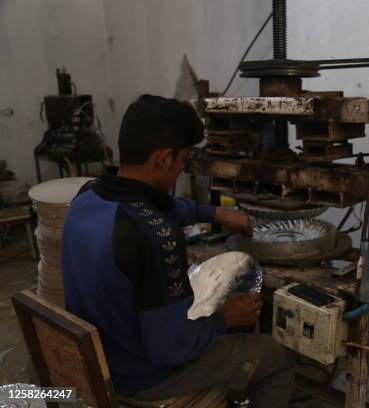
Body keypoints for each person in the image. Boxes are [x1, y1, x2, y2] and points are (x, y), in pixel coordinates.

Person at [61, 95, 294, 408]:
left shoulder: (86, 197)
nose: (181, 170)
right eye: (183, 161)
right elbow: (170, 349)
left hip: (101, 356)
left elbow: (153, 206)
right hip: (144, 376)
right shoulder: (157, 237)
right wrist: (225, 318)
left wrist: (215, 213)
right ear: (163, 158)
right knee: (275, 357)